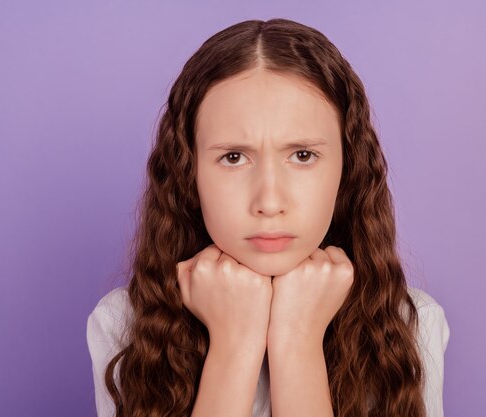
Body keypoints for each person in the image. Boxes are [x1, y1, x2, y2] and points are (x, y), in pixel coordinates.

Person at [86, 18, 450, 417]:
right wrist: (233, 345)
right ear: (189, 173)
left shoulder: (411, 325)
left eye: (303, 155)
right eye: (234, 157)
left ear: (348, 169)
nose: (269, 201)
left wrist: (297, 342)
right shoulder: (124, 324)